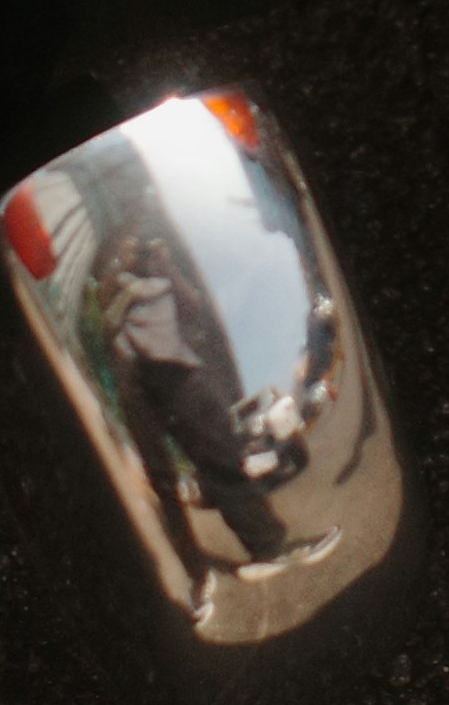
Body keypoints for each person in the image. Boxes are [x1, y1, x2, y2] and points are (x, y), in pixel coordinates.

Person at [97, 235, 303, 579]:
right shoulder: (114, 283)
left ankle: (268, 545)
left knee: (219, 458)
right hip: (132, 377)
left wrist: (169, 268)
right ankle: (192, 573)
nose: (140, 256)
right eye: (134, 250)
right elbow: (106, 322)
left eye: (143, 249)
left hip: (177, 371)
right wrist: (122, 279)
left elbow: (194, 310)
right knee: (160, 479)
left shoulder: (166, 281)